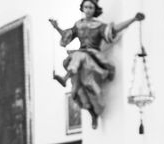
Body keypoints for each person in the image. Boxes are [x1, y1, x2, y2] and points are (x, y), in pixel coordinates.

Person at [49, 0, 144, 129]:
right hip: (79, 63)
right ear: (82, 8)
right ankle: (92, 114)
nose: (88, 10)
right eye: (86, 7)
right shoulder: (78, 25)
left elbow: (114, 29)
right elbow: (67, 37)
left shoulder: (98, 25)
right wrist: (57, 27)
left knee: (81, 58)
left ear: (95, 10)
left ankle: (65, 78)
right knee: (75, 92)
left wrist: (133, 19)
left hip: (93, 57)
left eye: (91, 7)